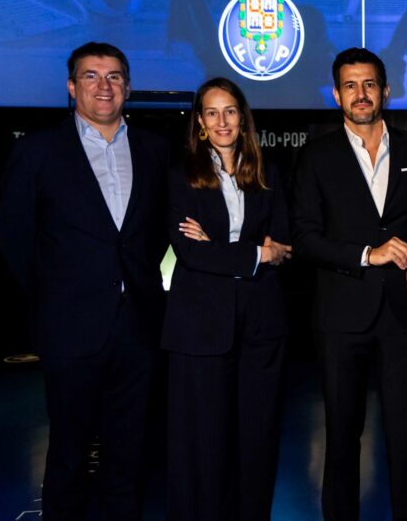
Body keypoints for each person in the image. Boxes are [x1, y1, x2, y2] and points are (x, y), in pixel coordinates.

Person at [0, 42, 169, 520]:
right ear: (72, 87)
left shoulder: (155, 150)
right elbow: (15, 237)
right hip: (69, 329)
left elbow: (154, 232)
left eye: (114, 76)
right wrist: (54, 299)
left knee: (128, 455)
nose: (104, 86)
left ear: (129, 87)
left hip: (138, 326)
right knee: (69, 453)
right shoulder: (37, 151)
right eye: (91, 76)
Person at [290, 47, 407, 521]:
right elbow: (305, 237)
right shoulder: (316, 155)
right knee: (342, 435)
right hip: (341, 314)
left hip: (402, 311)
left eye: (369, 84)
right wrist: (366, 255)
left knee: (406, 434)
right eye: (350, 85)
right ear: (336, 94)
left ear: (386, 91)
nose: (361, 93)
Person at [162, 78, 291, 521]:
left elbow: (285, 244)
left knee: (257, 439)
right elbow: (192, 252)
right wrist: (256, 252)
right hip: (200, 329)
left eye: (230, 111)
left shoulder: (267, 172)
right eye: (212, 113)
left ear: (243, 117)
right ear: (200, 122)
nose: (222, 121)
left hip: (260, 327)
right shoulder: (181, 175)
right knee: (205, 443)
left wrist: (224, 249)